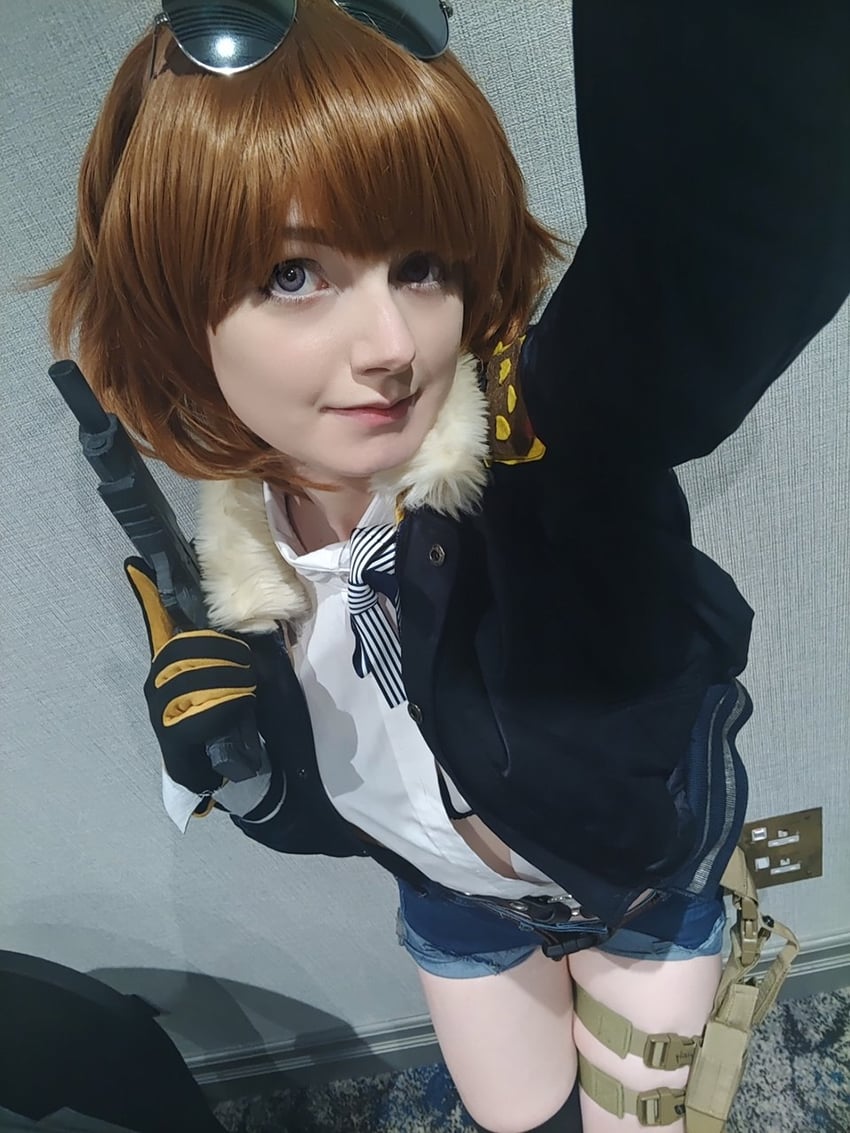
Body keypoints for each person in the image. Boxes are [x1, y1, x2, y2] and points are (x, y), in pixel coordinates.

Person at [41, 2, 849, 1131]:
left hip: (630, 887)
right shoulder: (237, 563)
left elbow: (722, 233)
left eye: (421, 266)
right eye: (293, 274)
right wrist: (252, 774)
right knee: (516, 1117)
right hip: (455, 904)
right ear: (173, 307)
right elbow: (333, 811)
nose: (393, 345)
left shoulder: (533, 445)